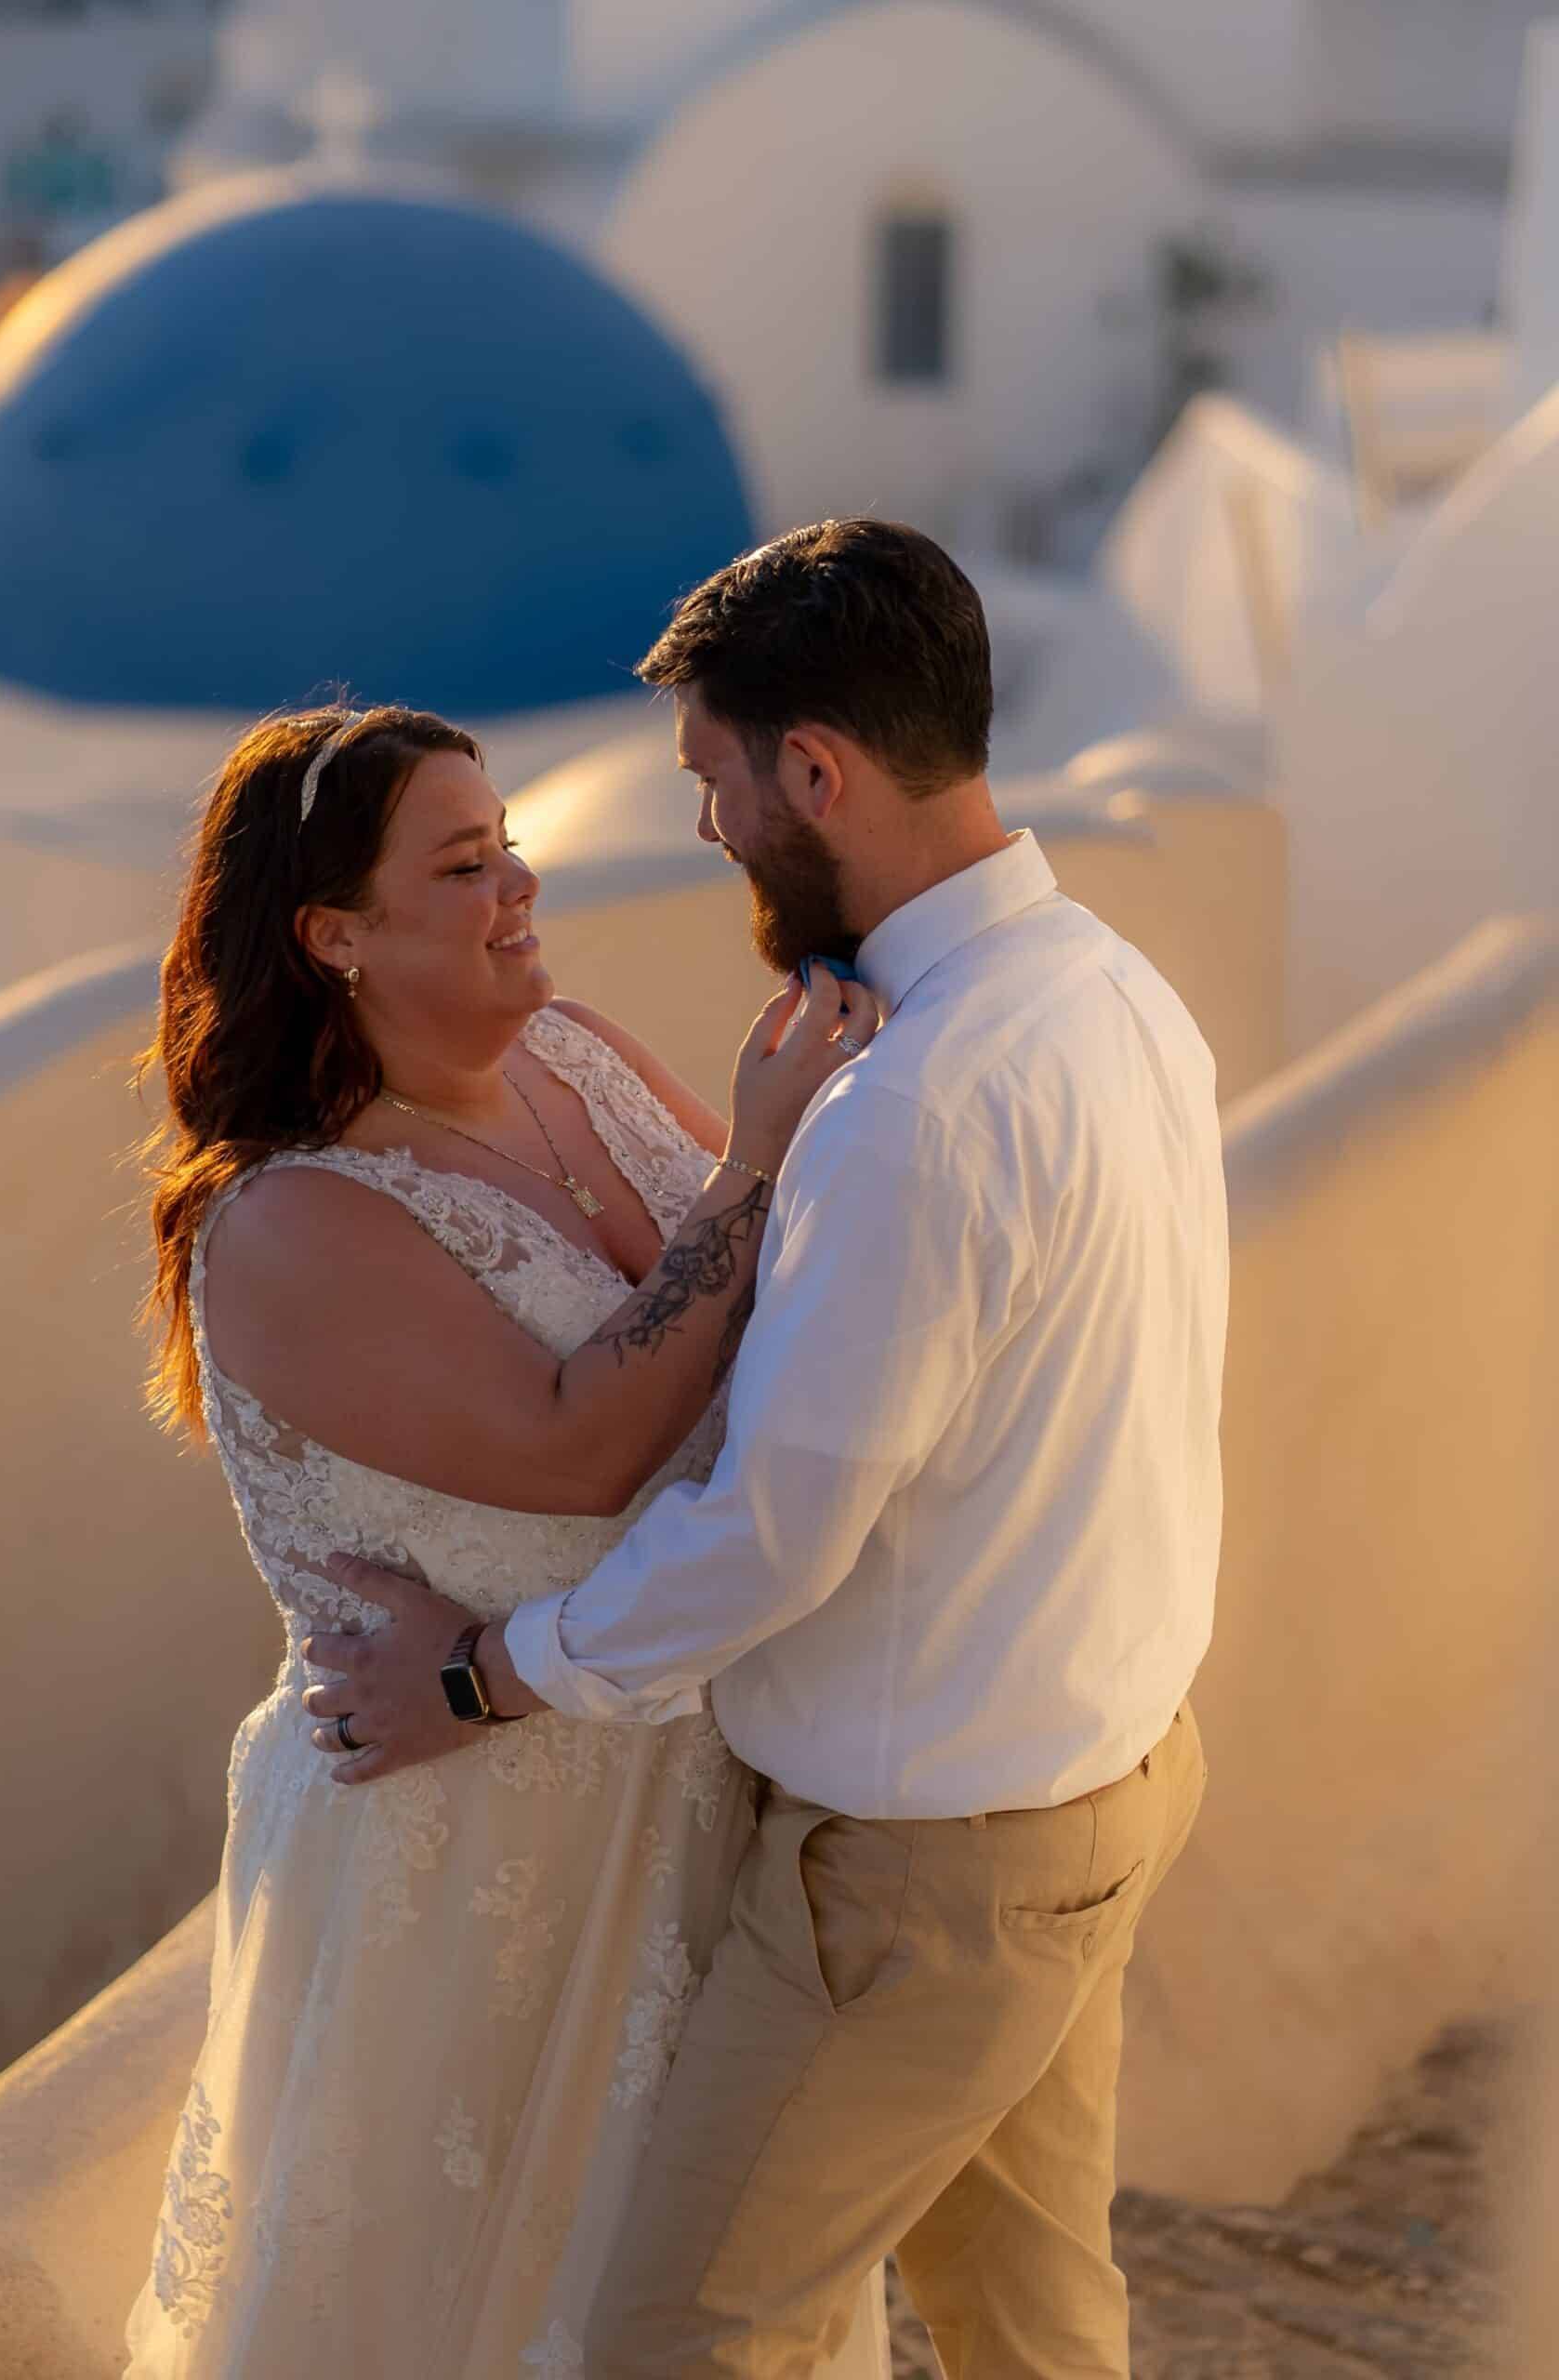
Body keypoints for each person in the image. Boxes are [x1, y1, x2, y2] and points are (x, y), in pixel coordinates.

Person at [309, 519, 1229, 2379]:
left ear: (817, 768)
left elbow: (775, 1535)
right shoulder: (1121, 995)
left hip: (924, 1880)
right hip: (1105, 1782)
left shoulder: (918, 1103)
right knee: (1037, 2332)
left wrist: (484, 1675)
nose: (710, 829)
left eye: (715, 782)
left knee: (679, 2338)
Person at [121, 701, 886, 2377]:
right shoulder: (287, 1219)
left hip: (689, 1778)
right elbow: (582, 1448)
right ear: (334, 934)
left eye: (511, 841)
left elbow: (779, 1321)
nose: (519, 884)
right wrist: (760, 1156)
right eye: (464, 865)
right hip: (472, 1847)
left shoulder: (579, 1054)